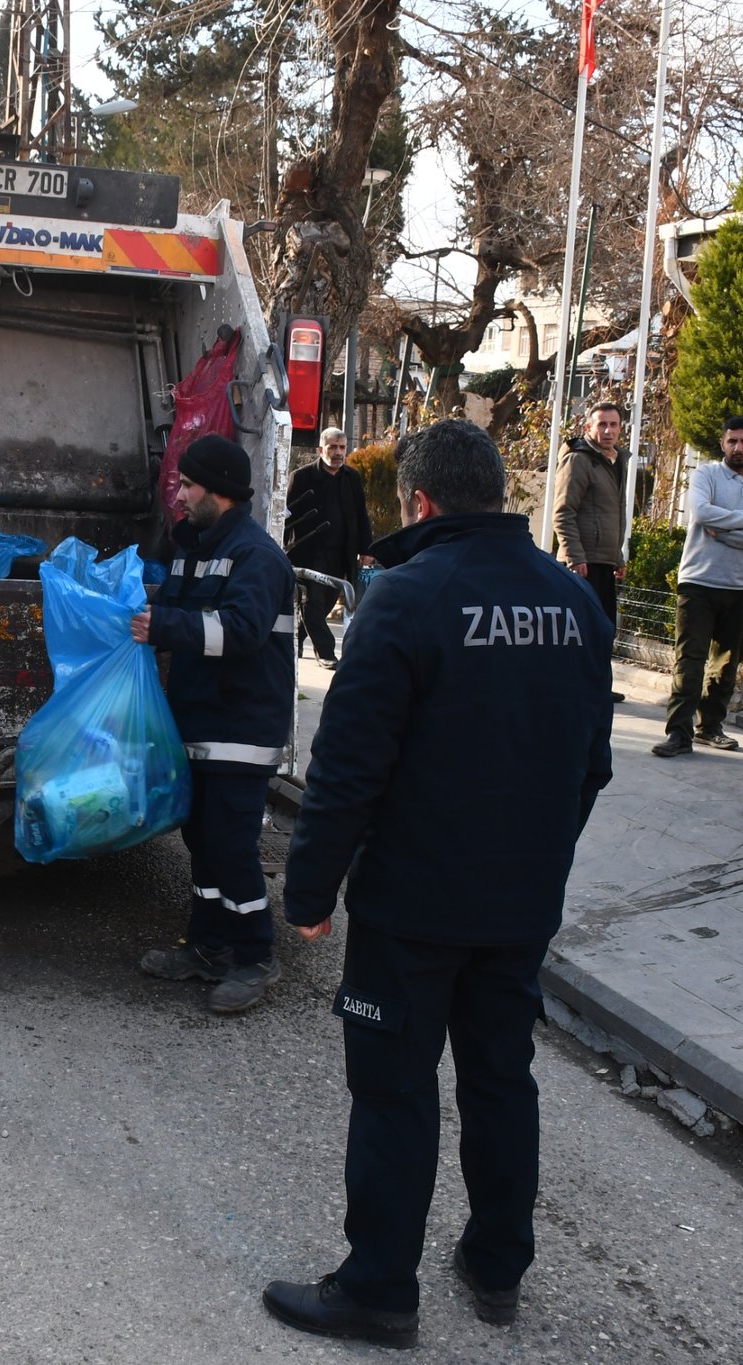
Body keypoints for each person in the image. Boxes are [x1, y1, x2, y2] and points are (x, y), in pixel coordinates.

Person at [263, 420, 613, 1347]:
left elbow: (347, 768)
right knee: (501, 1079)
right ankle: (497, 1266)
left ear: (418, 502)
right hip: (520, 905)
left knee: (394, 1091)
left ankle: (378, 1289)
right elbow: (592, 764)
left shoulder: (406, 598)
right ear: (495, 493)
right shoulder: (575, 603)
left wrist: (310, 892)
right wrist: (538, 856)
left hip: (412, 906)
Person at [132, 434, 297, 1015]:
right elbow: (173, 610)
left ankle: (255, 957)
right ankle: (207, 946)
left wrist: (161, 627)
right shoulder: (194, 548)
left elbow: (242, 631)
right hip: (202, 722)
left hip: (241, 728)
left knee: (230, 845)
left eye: (187, 485)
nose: (178, 495)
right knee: (201, 841)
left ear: (219, 492)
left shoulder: (258, 557)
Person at [652, 416, 743, 757]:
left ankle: (710, 727)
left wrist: (724, 533)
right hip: (698, 582)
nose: (738, 447)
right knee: (690, 661)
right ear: (723, 443)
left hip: (742, 587)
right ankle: (678, 733)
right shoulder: (705, 475)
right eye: (732, 441)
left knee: (726, 664)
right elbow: (700, 513)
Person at [552, 402, 628, 701]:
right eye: (602, 424)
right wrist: (574, 556)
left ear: (620, 428)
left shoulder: (615, 461)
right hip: (582, 563)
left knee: (603, 629)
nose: (608, 430)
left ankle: (597, 687)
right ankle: (573, 688)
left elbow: (612, 515)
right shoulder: (579, 460)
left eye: (613, 424)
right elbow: (563, 512)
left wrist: (617, 556)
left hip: (604, 561)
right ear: (588, 428)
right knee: (579, 630)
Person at [285, 426, 374, 669]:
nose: (337, 452)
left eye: (342, 447)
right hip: (308, 552)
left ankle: (296, 638)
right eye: (332, 447)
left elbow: (361, 515)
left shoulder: (351, 478)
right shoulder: (301, 477)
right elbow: (286, 515)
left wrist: (367, 549)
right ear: (320, 449)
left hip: (341, 552)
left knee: (325, 603)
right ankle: (326, 653)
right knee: (312, 602)